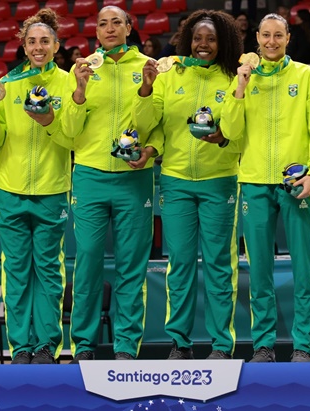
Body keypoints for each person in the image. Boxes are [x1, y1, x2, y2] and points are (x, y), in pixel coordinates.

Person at [133, 10, 244, 360]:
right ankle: (180, 343)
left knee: (218, 265)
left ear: (222, 42)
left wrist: (224, 139)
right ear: (187, 40)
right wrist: (147, 88)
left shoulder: (233, 77)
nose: (204, 44)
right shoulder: (170, 74)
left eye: (211, 38)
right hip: (176, 181)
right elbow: (148, 124)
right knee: (179, 263)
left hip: (220, 181)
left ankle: (221, 346)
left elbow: (242, 135)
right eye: (198, 38)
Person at [223, 13, 310, 363]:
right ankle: (264, 345)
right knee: (260, 271)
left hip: (294, 182)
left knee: (303, 269)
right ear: (256, 37)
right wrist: (239, 86)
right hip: (253, 181)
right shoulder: (242, 76)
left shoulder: (307, 76)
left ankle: (302, 346)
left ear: (287, 38)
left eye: (278, 36)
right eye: (265, 35)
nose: (271, 41)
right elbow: (230, 130)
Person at [61, 5, 157, 361]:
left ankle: (125, 348)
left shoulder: (148, 67)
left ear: (129, 28)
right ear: (96, 31)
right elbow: (69, 132)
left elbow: (155, 125)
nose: (110, 28)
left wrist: (147, 90)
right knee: (86, 262)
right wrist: (79, 92)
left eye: (117, 22)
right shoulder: (83, 68)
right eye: (103, 23)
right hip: (89, 175)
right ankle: (83, 346)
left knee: (132, 264)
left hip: (134, 177)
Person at [0, 8, 72, 365]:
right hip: (10, 188)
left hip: (51, 189)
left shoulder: (68, 84)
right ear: (23, 45)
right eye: (31, 41)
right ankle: (21, 347)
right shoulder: (7, 85)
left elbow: (72, 136)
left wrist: (49, 119)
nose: (38, 47)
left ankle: (47, 345)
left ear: (56, 45)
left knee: (49, 271)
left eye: (45, 41)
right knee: (16, 272)